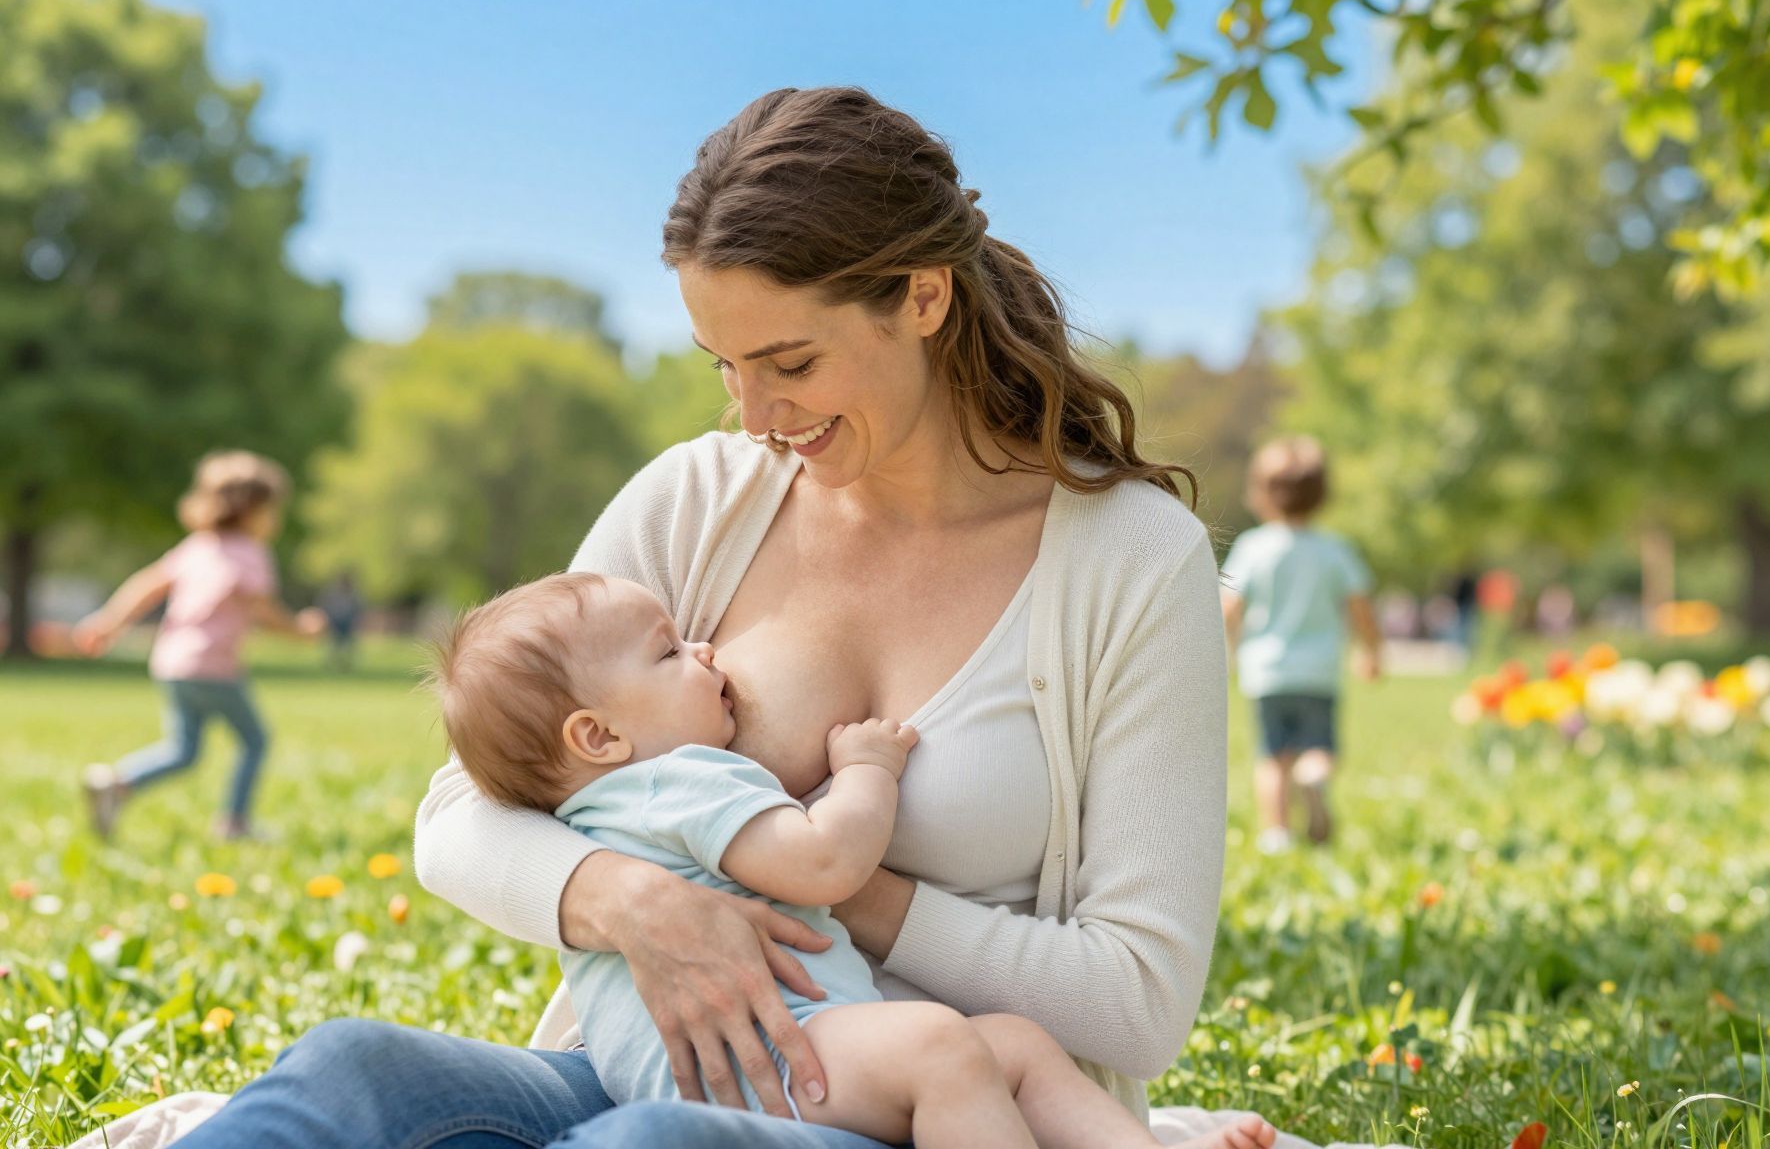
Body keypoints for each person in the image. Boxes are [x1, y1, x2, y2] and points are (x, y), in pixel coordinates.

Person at [164, 86, 1236, 1149]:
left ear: (921, 296)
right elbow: (460, 812)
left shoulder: (1130, 564)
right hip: (639, 1073)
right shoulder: (698, 499)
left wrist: (813, 881)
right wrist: (631, 896)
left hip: (928, 1105)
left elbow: (1136, 998)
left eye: (791, 363)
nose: (755, 417)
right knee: (351, 1071)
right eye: (723, 366)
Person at [431, 572, 1275, 1149]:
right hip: (770, 1064)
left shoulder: (591, 807)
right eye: (669, 653)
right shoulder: (679, 781)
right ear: (599, 735)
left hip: (684, 1078)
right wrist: (867, 773)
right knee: (944, 1049)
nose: (706, 652)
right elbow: (825, 863)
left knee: (1011, 1044)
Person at [73, 450, 326, 841]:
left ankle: (117, 783)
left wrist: (109, 622)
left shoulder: (196, 547)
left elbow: (147, 585)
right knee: (256, 740)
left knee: (184, 751)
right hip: (213, 668)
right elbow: (264, 612)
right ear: (252, 510)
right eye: (272, 509)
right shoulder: (250, 554)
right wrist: (301, 629)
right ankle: (235, 823)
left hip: (172, 665)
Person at [1220, 438, 1379, 855]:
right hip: (1320, 671)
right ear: (1323, 495)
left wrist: (1226, 649)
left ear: (1260, 495)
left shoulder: (1253, 548)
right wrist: (1371, 652)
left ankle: (1277, 834)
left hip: (1267, 671)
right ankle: (1315, 776)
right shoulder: (1334, 550)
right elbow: (1360, 607)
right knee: (1319, 746)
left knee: (1273, 757)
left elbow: (1229, 606)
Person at [318, 571, 362, 671]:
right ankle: (332, 663)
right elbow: (325, 604)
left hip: (348, 622)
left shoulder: (353, 594)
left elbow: (359, 607)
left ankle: (345, 663)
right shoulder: (333, 593)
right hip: (335, 621)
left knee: (348, 645)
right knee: (333, 644)